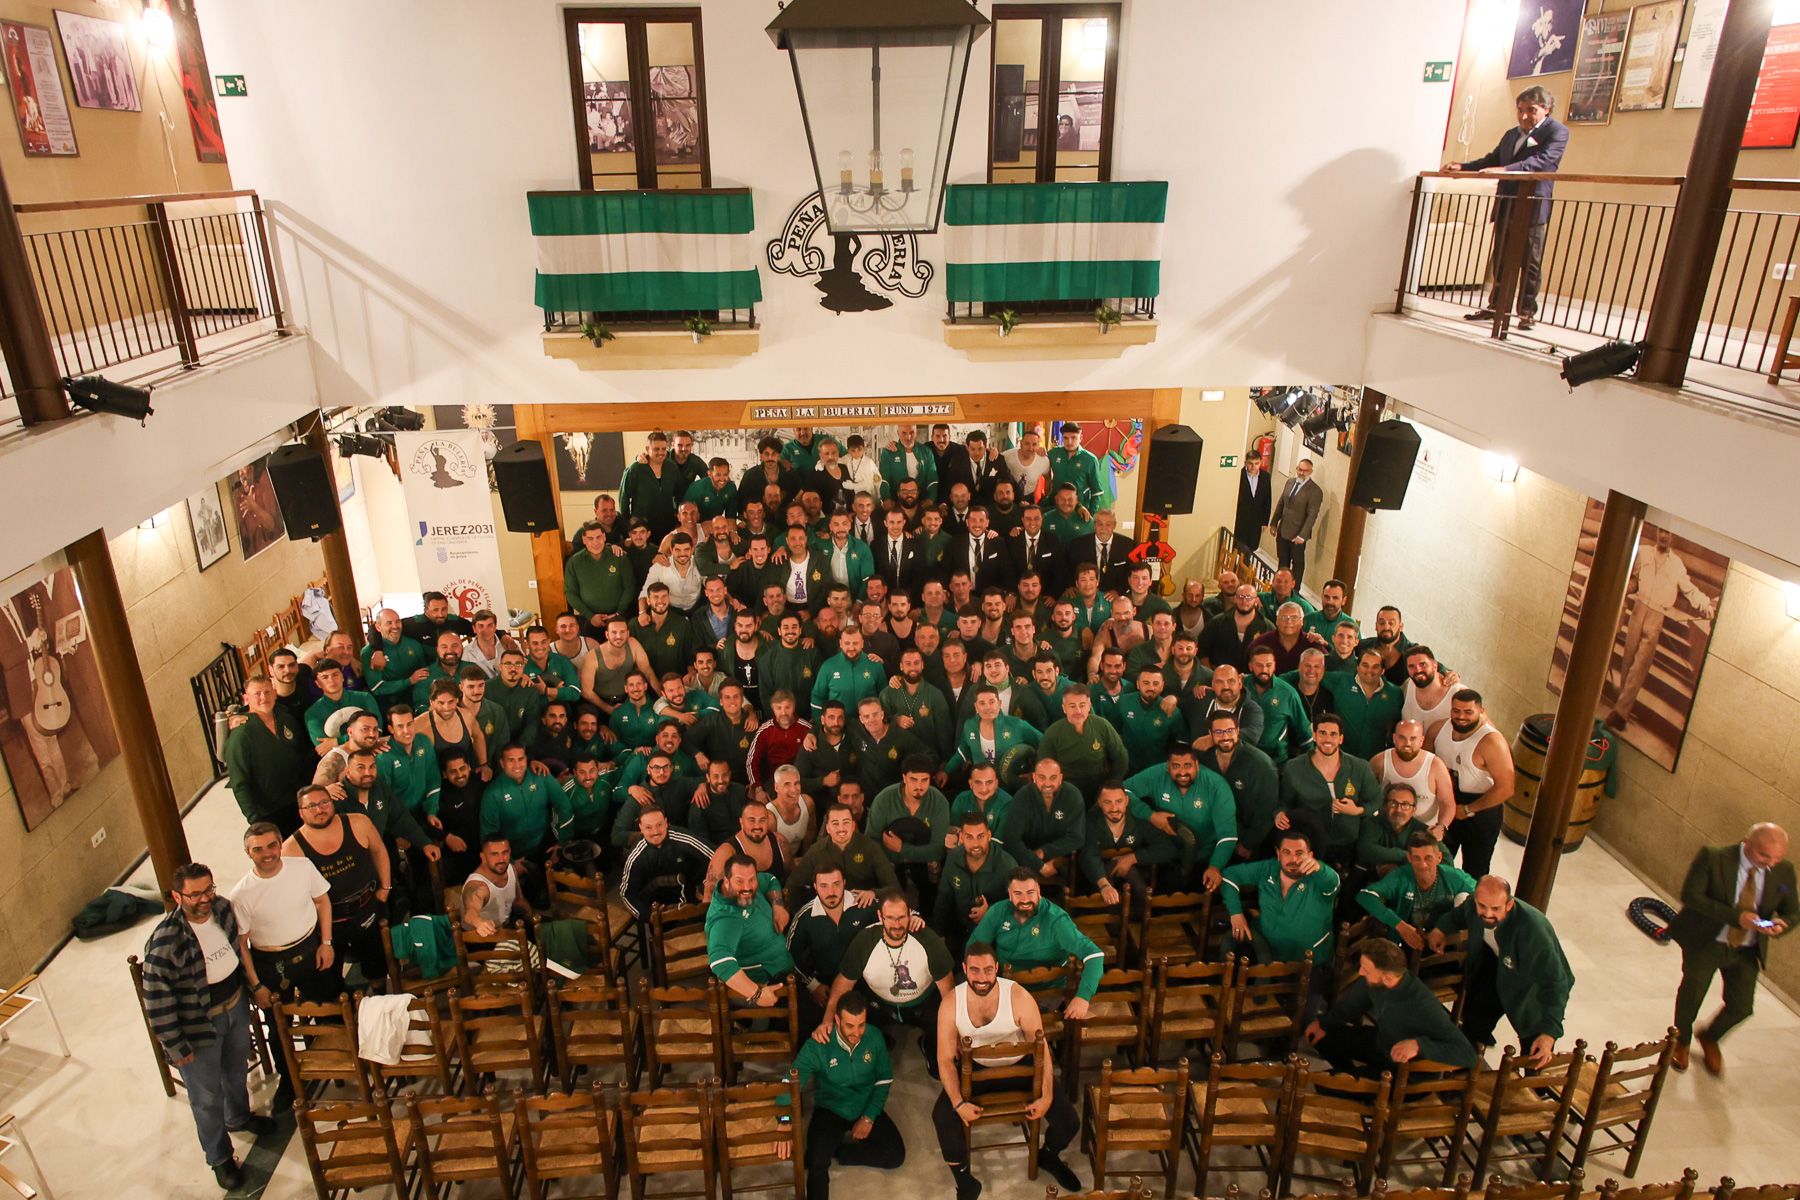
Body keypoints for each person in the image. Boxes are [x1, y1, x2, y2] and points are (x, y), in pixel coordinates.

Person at [142, 863, 276, 1190]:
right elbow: (157, 1003)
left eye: (208, 890)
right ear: (177, 896)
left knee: (235, 1070)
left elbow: (237, 949)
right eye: (195, 894)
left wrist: (252, 988)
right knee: (206, 1096)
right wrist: (176, 1047)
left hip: (235, 1004)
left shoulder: (223, 909)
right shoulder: (165, 942)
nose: (204, 899)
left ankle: (239, 1117)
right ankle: (219, 1158)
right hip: (199, 1024)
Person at [932, 941, 1083, 1199]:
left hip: (1020, 1066)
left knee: (1069, 1121)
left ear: (997, 968)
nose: (982, 978)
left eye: (988, 970)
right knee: (943, 1117)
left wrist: (1047, 1096)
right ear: (965, 969)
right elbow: (945, 1059)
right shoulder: (951, 1003)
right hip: (976, 1070)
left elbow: (1042, 1048)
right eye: (975, 970)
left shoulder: (1018, 997)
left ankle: (1048, 1155)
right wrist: (958, 1103)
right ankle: (965, 1181)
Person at [1668, 822, 1797, 1074]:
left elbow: (1793, 911)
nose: (1770, 863)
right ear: (1747, 843)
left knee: (1741, 1006)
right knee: (1693, 992)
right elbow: (1691, 896)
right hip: (1708, 940)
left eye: (1777, 858)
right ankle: (1680, 1041)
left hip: (1746, 948)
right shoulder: (1713, 857)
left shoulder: (1784, 871)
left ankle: (1710, 1036)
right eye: (1764, 855)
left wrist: (1783, 924)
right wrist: (1737, 917)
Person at [1448, 84, 1568, 331]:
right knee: (1501, 256)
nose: (1524, 116)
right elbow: (1492, 160)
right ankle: (1496, 307)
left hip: (1532, 204)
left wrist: (1506, 170)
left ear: (1545, 109)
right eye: (1520, 110)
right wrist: (1463, 167)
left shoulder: (1557, 131)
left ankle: (1526, 312)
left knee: (1530, 260)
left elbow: (1542, 161)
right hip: (1507, 200)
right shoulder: (1511, 134)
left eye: (1531, 110)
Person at [1430, 876, 1573, 1065]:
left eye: (1496, 908)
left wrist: (1549, 1033)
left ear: (1509, 905)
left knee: (1535, 1051)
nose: (1487, 913)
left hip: (1532, 983)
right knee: (1473, 1025)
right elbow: (1457, 916)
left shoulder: (1533, 931)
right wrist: (1440, 929)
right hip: (1495, 967)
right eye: (1482, 906)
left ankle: (1534, 1079)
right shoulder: (1473, 904)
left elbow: (1556, 983)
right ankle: (1464, 1069)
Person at [817, 890, 955, 1067]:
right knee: (855, 1034)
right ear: (880, 917)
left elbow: (948, 990)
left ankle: (928, 1044)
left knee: (945, 1053)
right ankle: (879, 1042)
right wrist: (827, 1020)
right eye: (890, 918)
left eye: (901, 917)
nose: (896, 924)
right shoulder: (865, 940)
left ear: (909, 915)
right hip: (880, 1005)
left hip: (924, 1003)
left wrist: (953, 1033)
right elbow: (843, 983)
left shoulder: (927, 939)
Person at [789, 993, 906, 1200]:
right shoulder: (819, 1043)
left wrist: (869, 1117)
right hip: (829, 1109)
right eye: (850, 1026)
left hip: (864, 1104)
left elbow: (884, 1079)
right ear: (837, 1020)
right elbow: (790, 1083)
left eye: (861, 1025)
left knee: (895, 1156)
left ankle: (839, 1151)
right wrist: (783, 1120)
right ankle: (825, 1149)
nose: (857, 1033)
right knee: (816, 1164)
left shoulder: (874, 1036)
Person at [1304, 938, 1477, 1076]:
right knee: (1320, 1038)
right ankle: (1353, 1077)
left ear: (1387, 977)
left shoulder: (1423, 1005)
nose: (1361, 972)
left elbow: (1468, 1055)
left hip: (1406, 1071)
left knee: (1324, 1085)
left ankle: (1359, 1084)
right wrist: (1323, 1024)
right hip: (1383, 1043)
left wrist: (1418, 1045)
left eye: (1366, 969)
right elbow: (1352, 1005)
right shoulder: (1376, 982)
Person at [1608, 525, 1716, 731]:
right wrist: (1623, 588)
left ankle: (1620, 713)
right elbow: (1633, 580)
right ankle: (1621, 710)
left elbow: (1690, 590)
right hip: (1638, 611)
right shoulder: (1643, 552)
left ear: (1673, 536)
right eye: (1661, 531)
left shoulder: (1677, 565)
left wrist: (1706, 606)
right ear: (1657, 532)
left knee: (1640, 666)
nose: (1664, 535)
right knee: (1628, 661)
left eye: (1668, 532)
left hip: (1656, 617)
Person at [285, 786, 392, 986]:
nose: (319, 809)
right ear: (301, 813)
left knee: (377, 967)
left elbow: (379, 851)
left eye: (324, 802)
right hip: (328, 924)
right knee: (329, 978)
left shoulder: (359, 822)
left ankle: (380, 997)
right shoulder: (290, 849)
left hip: (368, 907)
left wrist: (385, 888)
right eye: (311, 806)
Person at [230, 822, 338, 1010]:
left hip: (311, 949)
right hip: (270, 964)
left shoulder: (303, 866)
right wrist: (256, 985)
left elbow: (323, 901)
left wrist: (326, 943)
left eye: (272, 845)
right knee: (278, 1023)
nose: (267, 854)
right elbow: (242, 943)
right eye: (258, 849)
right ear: (248, 852)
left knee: (331, 1008)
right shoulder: (240, 894)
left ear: (281, 844)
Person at [968, 870, 1103, 1018]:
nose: (1025, 900)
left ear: (1039, 891)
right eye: (1018, 894)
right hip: (1005, 987)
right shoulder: (998, 911)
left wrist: (1083, 997)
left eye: (1030, 892)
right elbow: (974, 947)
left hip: (1047, 992)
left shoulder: (1056, 919)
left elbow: (1094, 954)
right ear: (1010, 894)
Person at [1220, 829, 1339, 966]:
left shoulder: (1320, 877)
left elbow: (1333, 882)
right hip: (1265, 954)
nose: (1293, 859)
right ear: (1278, 854)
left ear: (1310, 855)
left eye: (1299, 853)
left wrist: (1320, 868)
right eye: (1286, 852)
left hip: (1309, 963)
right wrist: (1236, 913)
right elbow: (1229, 875)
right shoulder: (1268, 868)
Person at [1430, 690, 1514, 879]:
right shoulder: (1438, 729)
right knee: (1437, 862)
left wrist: (1468, 809)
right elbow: (1426, 763)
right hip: (1447, 800)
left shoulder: (1492, 741)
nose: (1461, 716)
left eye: (1468, 712)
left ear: (1481, 711)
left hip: (1481, 808)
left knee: (1475, 869)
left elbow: (1506, 788)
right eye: (1456, 711)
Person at [224, 675, 314, 836]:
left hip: (300, 802)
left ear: (274, 693)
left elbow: (303, 756)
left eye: (267, 692)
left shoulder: (286, 719)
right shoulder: (241, 735)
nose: (263, 697)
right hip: (270, 812)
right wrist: (255, 819)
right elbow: (240, 783)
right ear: (246, 699)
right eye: (257, 694)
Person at [1357, 831, 1477, 949]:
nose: (1423, 865)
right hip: (1406, 941)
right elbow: (1365, 895)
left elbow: (1481, 892)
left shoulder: (1454, 877)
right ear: (1409, 858)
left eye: (1428, 858)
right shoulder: (1400, 876)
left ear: (1439, 857)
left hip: (1443, 941)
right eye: (1416, 858)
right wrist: (1399, 925)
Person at [706, 854, 795, 1006]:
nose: (747, 887)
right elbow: (719, 962)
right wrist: (757, 994)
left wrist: (778, 906)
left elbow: (771, 880)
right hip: (769, 978)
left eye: (752, 880)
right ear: (726, 882)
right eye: (739, 881)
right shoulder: (726, 918)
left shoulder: (750, 882)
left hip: (785, 958)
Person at [934, 811, 1019, 950]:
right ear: (961, 837)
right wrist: (939, 935)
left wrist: (991, 911)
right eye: (969, 837)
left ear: (989, 835)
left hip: (995, 932)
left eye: (980, 836)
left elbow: (1018, 905)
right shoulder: (953, 857)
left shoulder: (1007, 865)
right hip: (959, 928)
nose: (975, 844)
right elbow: (944, 898)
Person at [618, 805, 713, 919]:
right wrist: (649, 916)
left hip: (694, 899)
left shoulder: (682, 837)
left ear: (666, 823)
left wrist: (706, 887)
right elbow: (626, 894)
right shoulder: (636, 856)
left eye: (659, 825)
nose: (655, 832)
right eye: (648, 827)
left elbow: (714, 855)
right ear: (641, 828)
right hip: (660, 910)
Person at [1369, 719, 1455, 836]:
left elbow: (1447, 803)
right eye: (1402, 737)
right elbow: (1365, 794)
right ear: (1394, 738)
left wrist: (1441, 827)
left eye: (1413, 738)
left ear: (1421, 740)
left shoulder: (1436, 765)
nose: (1407, 744)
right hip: (1387, 831)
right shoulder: (1379, 761)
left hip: (1424, 833)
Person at [460, 834, 532, 935]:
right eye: (494, 854)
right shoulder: (477, 885)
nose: (501, 859)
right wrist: (479, 923)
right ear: (483, 857)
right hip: (481, 937)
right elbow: (470, 913)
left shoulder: (511, 869)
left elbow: (519, 901)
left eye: (505, 852)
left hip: (506, 927)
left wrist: (533, 919)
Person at [1269, 458, 1324, 588]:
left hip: (1297, 535)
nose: (1301, 473)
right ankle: (1280, 586)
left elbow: (1312, 516)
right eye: (1300, 469)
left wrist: (1302, 535)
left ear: (1310, 472)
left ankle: (1295, 590)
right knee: (1283, 561)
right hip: (1283, 530)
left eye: (1305, 471)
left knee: (1297, 564)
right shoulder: (1290, 482)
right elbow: (1281, 503)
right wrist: (1274, 523)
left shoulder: (1315, 491)